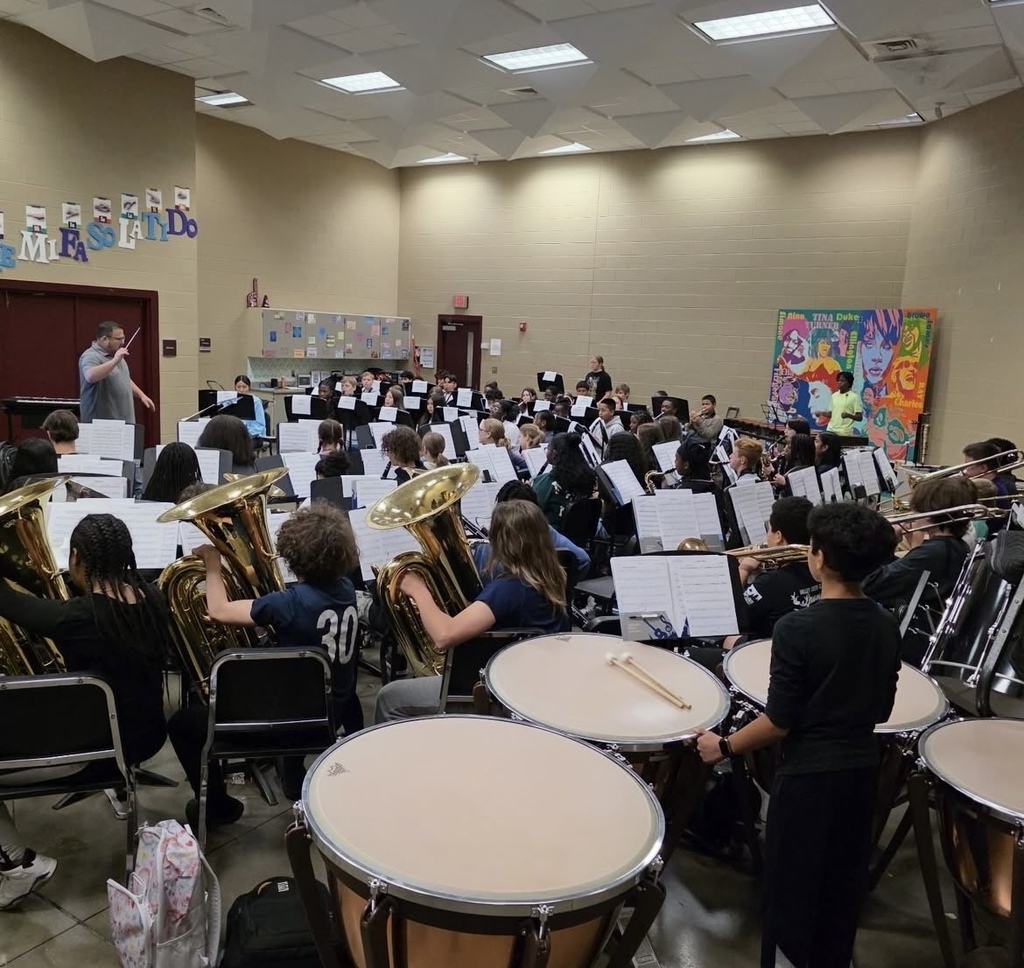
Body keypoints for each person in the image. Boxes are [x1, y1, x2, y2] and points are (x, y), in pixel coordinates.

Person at [696, 502, 901, 968]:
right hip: (863, 771)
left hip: (808, 778)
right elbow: (883, 706)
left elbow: (779, 721)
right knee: (840, 890)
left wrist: (722, 746)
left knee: (791, 895)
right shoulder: (885, 623)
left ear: (820, 558)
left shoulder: (797, 628)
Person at [0, 514, 171, 909]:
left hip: (92, 756)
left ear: (76, 557)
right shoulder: (156, 599)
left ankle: (17, 864)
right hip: (145, 738)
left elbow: (11, 602)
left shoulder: (76, 618)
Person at [168, 503, 361, 823]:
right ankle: (292, 775)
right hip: (330, 712)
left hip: (282, 722)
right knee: (305, 681)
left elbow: (218, 610)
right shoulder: (347, 590)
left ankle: (217, 806)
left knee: (182, 724)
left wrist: (214, 565)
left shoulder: (286, 603)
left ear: (291, 556)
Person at [374, 500, 571, 722]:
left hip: (494, 691)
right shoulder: (553, 577)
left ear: (499, 542)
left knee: (389, 698)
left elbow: (443, 636)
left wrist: (418, 590)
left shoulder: (510, 589)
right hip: (533, 683)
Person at [863, 475, 974, 665]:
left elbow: (871, 585)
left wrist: (886, 543)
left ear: (929, 514)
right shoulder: (956, 545)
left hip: (911, 645)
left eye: (916, 508)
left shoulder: (933, 553)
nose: (912, 513)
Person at [473, 482, 590, 583]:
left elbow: (482, 584)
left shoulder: (487, 550)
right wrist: (563, 588)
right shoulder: (546, 531)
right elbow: (583, 560)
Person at [78, 321, 154, 424]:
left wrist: (142, 395)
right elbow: (90, 376)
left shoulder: (115, 354)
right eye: (119, 339)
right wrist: (114, 361)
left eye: (123, 338)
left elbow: (123, 378)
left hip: (124, 421)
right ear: (105, 339)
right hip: (103, 424)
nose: (123, 342)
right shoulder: (91, 356)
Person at [532, 433, 596, 530]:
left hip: (552, 535)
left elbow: (533, 508)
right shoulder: (586, 476)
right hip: (580, 532)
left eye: (547, 449)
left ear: (554, 454)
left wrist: (528, 489)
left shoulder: (549, 481)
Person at [815, 370, 862, 435]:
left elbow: (859, 417)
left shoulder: (854, 397)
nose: (839, 382)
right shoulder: (834, 396)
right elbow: (832, 414)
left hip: (844, 432)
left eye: (842, 381)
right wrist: (821, 413)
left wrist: (848, 415)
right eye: (838, 380)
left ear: (849, 383)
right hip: (830, 430)